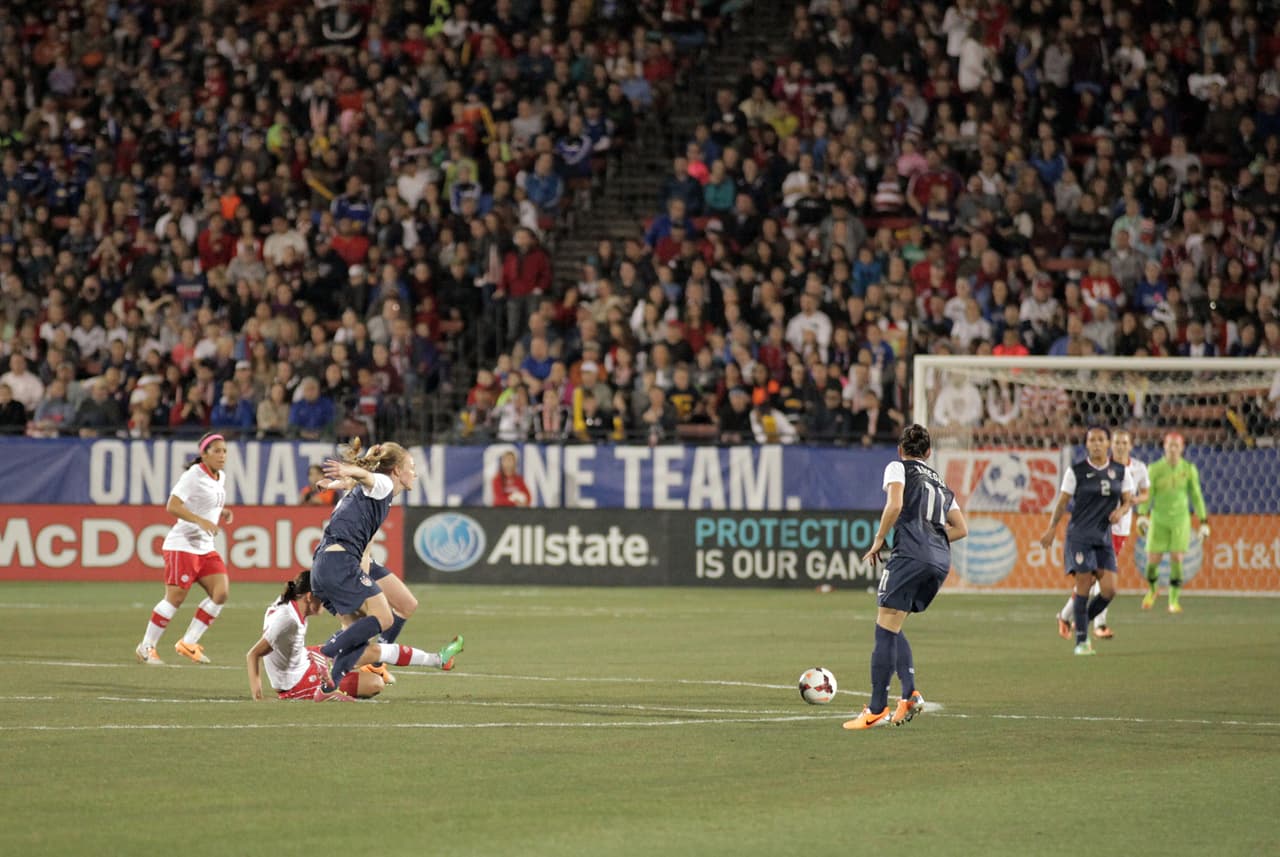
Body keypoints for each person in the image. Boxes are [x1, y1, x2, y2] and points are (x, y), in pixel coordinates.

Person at [311, 439, 463, 687]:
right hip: (343, 559)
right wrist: (349, 472)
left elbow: (359, 482)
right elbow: (366, 478)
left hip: (351, 557)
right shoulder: (382, 484)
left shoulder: (375, 491)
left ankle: (333, 681)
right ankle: (328, 654)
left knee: (404, 604)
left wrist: (339, 481)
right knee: (374, 624)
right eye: (410, 467)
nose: (414, 473)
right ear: (396, 471)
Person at [845, 424, 968, 730]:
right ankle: (910, 693)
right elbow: (962, 528)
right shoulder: (941, 485)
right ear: (929, 453)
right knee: (893, 622)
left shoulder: (897, 468)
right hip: (940, 561)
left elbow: (895, 503)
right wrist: (934, 541)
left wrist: (879, 538)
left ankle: (875, 709)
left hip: (910, 555)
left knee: (885, 627)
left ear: (900, 450)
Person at [246, 570, 453, 701]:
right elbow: (253, 654)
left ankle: (435, 659)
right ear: (309, 596)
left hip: (306, 658)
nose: (326, 600)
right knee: (375, 684)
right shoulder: (287, 620)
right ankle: (339, 686)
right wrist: (258, 697)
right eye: (322, 595)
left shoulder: (291, 602)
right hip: (296, 683)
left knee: (370, 649)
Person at [135, 432, 234, 665]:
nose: (222, 455)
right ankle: (146, 647)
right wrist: (200, 520)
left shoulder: (220, 477)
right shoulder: (193, 475)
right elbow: (173, 505)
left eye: (224, 451)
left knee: (221, 593)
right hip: (183, 545)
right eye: (217, 451)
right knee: (175, 598)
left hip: (204, 546)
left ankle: (188, 643)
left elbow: (204, 503)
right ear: (204, 454)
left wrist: (221, 512)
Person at [1039, 426, 1134, 656]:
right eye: (1092, 440)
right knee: (1084, 584)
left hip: (1103, 537)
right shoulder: (1076, 471)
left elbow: (1128, 500)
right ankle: (1081, 641)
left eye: (1101, 440)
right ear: (1087, 444)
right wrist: (1051, 529)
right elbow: (1062, 503)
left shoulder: (1121, 471)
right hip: (1079, 537)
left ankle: (1079, 622)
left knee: (1110, 590)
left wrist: (1121, 512)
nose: (1097, 444)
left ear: (1108, 444)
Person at [1057, 428, 1149, 639]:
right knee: (1091, 580)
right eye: (1116, 443)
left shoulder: (1137, 469)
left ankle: (1069, 618)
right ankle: (1096, 624)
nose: (1120, 446)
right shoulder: (1099, 468)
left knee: (1096, 581)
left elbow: (1145, 493)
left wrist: (1133, 502)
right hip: (1096, 529)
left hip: (1119, 530)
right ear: (1111, 445)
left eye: (1124, 443)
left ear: (1130, 445)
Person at [1136, 432, 1209, 613]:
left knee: (1177, 558)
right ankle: (1153, 590)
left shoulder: (1189, 469)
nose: (1173, 449)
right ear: (1164, 447)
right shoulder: (1154, 469)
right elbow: (1147, 494)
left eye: (1177, 446)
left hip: (1180, 520)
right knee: (1153, 560)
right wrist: (1142, 515)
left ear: (1182, 448)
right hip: (1159, 519)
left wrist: (1203, 520)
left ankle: (1173, 600)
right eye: (1170, 446)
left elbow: (1196, 496)